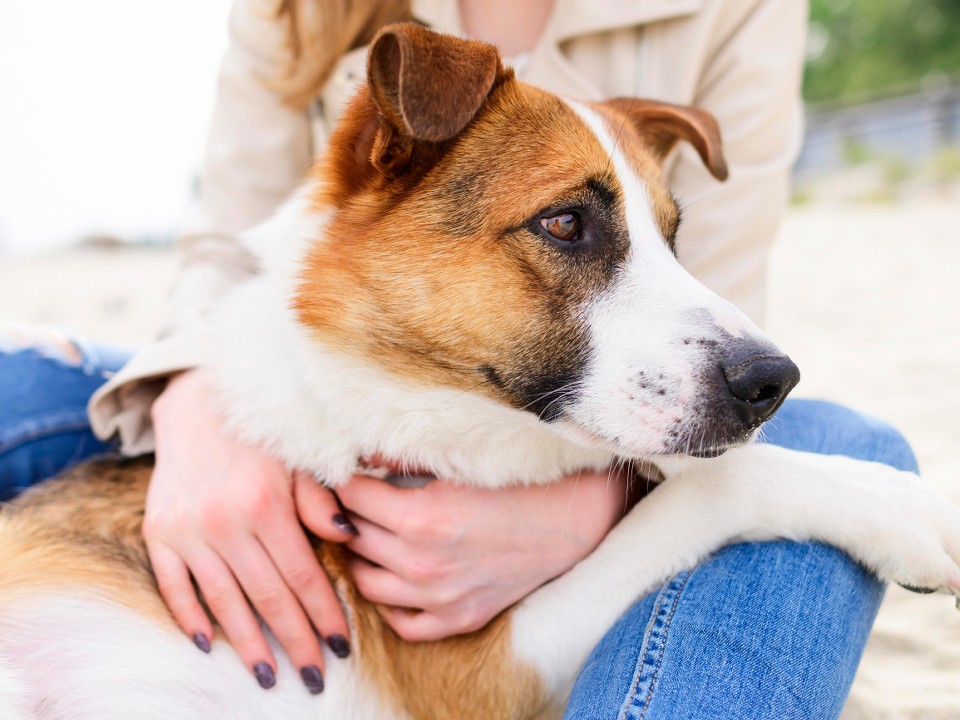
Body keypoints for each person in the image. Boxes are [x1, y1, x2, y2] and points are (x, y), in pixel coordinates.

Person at [0, 0, 920, 717]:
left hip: (574, 432)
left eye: (651, 238)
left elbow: (715, 331)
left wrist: (595, 504)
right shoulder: (330, 40)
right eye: (571, 228)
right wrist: (193, 413)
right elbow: (225, 254)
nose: (626, 252)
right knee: (31, 378)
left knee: (849, 446)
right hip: (275, 372)